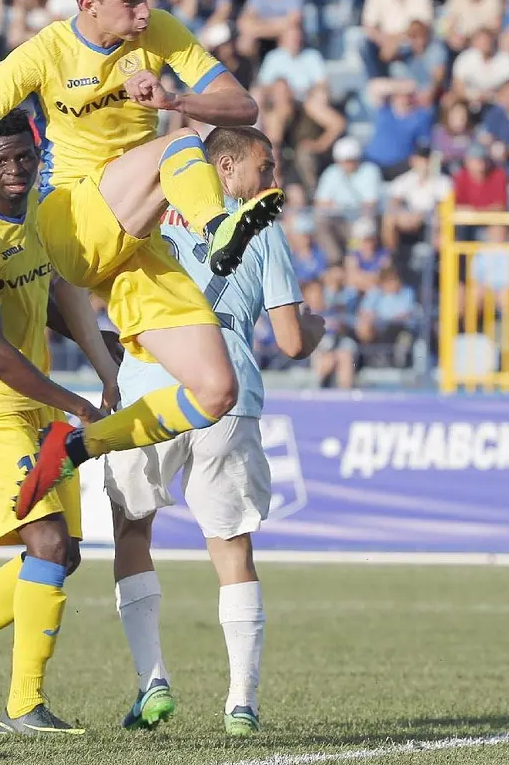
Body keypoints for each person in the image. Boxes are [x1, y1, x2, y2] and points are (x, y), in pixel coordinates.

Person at [0, 0, 281, 519]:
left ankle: (77, 447)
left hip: (134, 237)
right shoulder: (45, 53)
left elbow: (243, 108)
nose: (144, 12)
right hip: (71, 217)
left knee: (217, 390)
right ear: (89, 4)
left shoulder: (158, 31)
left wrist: (173, 100)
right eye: (131, 1)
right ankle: (220, 228)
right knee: (181, 147)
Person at [103, 127, 325, 736]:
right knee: (231, 548)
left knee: (132, 531)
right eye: (265, 166)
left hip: (151, 391)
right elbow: (291, 341)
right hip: (227, 394)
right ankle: (241, 703)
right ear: (225, 167)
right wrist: (317, 327)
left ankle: (152, 683)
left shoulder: (147, 210)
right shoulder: (264, 226)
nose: (272, 179)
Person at [0, 110, 121, 735]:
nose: (14, 170)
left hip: (34, 400)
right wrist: (77, 403)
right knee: (47, 545)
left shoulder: (42, 208)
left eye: (23, 157)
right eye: (0, 160)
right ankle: (23, 706)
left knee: (63, 554)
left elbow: (54, 298)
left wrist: (105, 358)